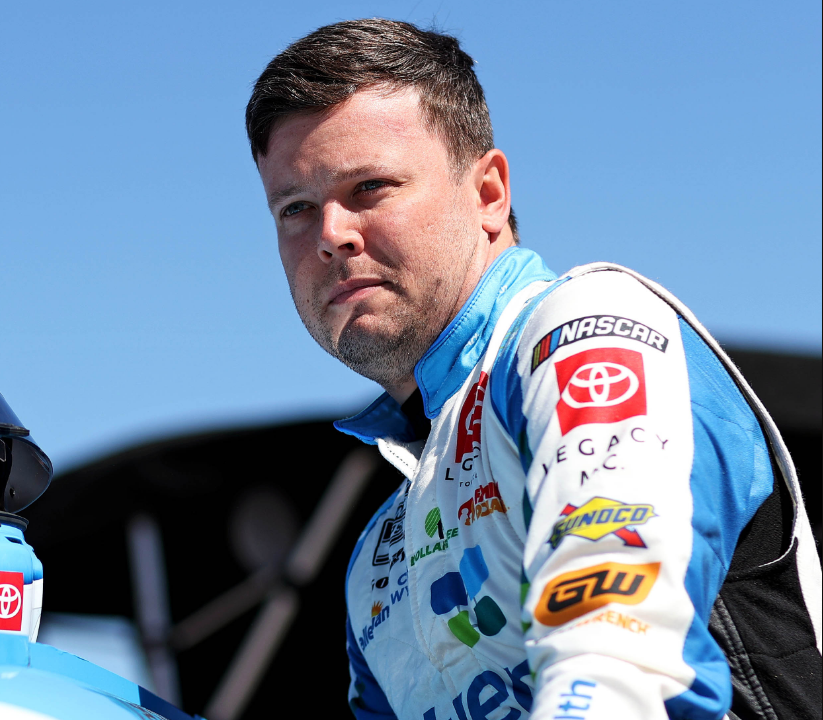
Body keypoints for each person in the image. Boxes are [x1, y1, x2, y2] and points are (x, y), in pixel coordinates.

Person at [244, 19, 820, 720]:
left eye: (370, 187)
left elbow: (615, 661)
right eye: (296, 208)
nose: (331, 235)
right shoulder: (375, 565)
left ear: (489, 193)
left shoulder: (582, 329)